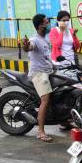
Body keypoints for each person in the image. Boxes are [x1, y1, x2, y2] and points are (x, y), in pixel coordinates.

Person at [21, 14, 55, 143]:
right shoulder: (34, 40)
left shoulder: (45, 38)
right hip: (39, 73)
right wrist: (25, 45)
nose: (49, 24)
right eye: (47, 22)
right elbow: (28, 47)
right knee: (45, 100)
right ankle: (40, 132)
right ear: (41, 25)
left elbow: (47, 57)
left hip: (48, 71)